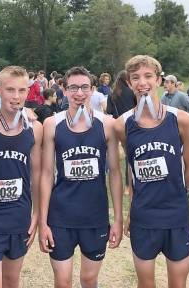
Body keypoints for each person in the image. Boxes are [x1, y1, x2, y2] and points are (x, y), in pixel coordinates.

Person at [114, 55, 189, 288]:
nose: (142, 82)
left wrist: (177, 191)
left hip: (176, 214)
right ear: (129, 84)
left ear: (159, 80)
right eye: (135, 78)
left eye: (148, 76)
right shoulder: (122, 124)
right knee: (145, 283)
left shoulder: (181, 119)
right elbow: (131, 167)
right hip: (144, 217)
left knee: (178, 283)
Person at [38, 66, 123, 288]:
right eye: (73, 87)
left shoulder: (106, 124)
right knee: (63, 281)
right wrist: (42, 222)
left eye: (85, 87)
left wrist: (118, 219)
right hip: (61, 217)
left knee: (89, 279)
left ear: (93, 90)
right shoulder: (52, 124)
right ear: (64, 90)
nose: (79, 93)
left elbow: (114, 173)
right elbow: (46, 174)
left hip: (94, 217)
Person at [0, 66, 42, 288]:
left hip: (19, 215)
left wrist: (37, 213)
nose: (16, 97)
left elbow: (37, 172)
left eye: (22, 90)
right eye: (10, 90)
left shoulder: (35, 128)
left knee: (11, 280)